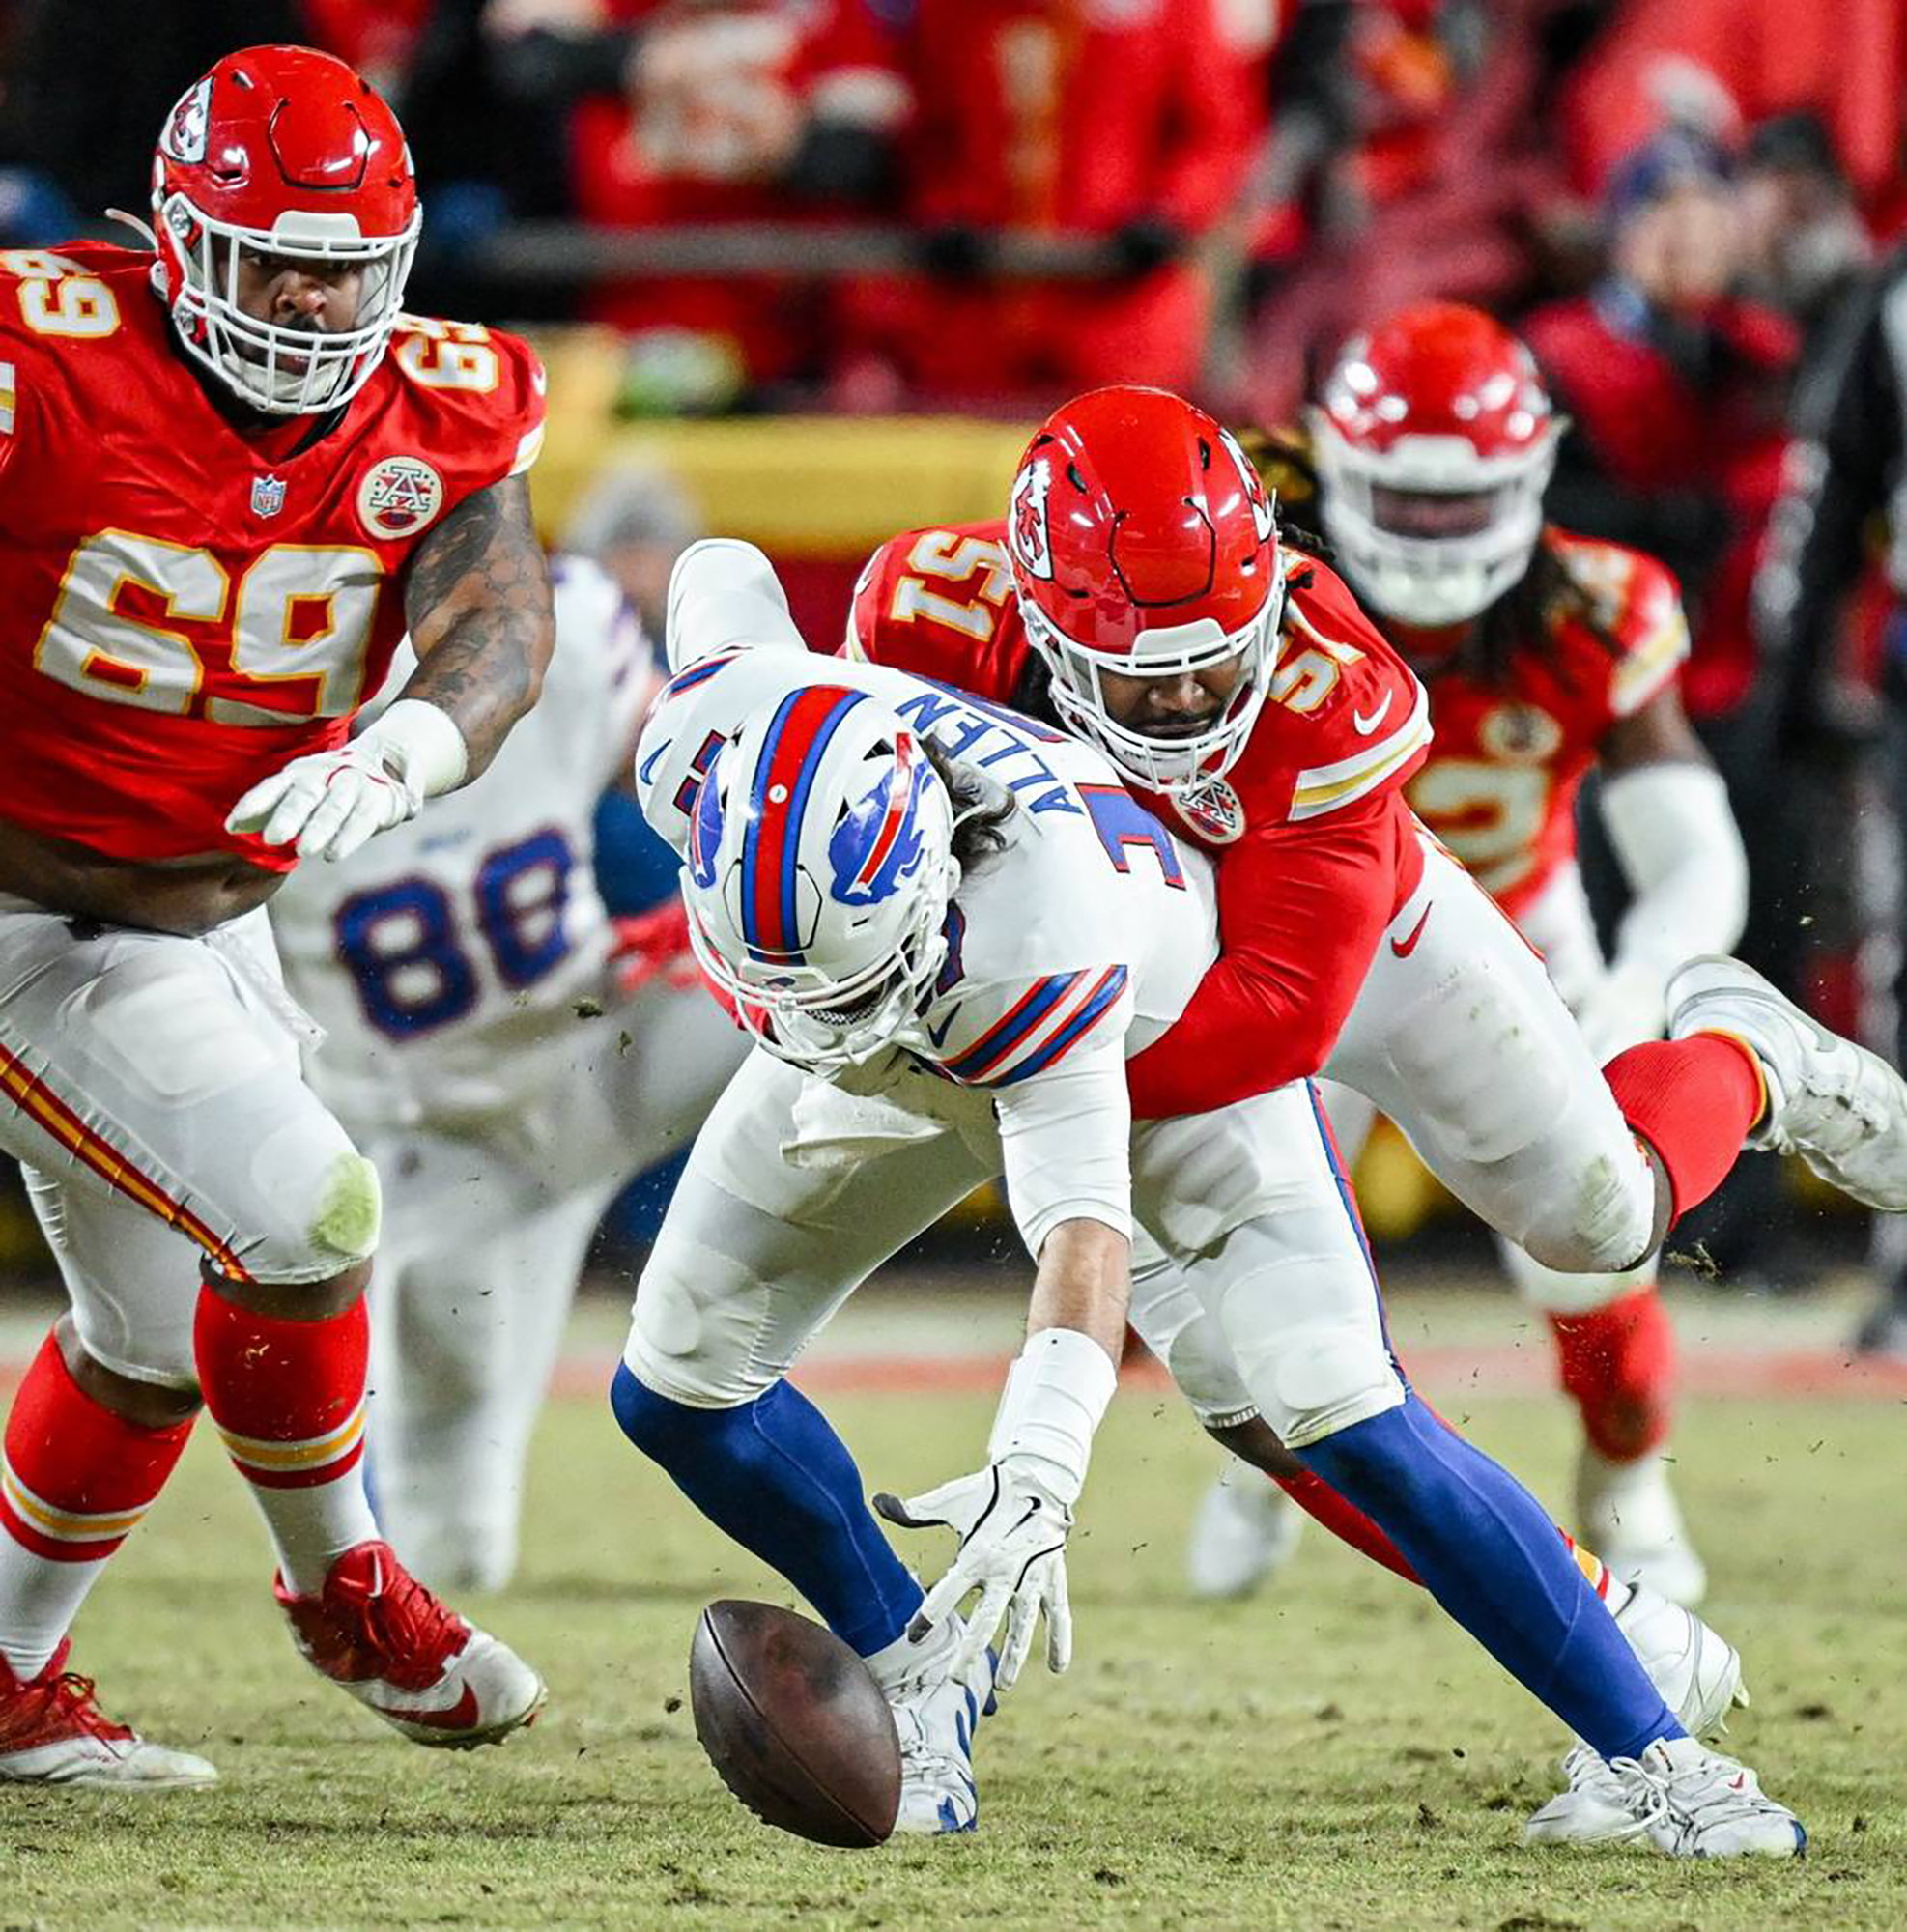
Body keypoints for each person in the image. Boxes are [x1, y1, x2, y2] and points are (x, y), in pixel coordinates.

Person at [614, 534, 1807, 1856]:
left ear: (931, 866)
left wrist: (1034, 1476)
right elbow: (716, 566)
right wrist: (828, 1000)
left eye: (851, 974)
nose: (832, 1011)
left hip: (1163, 1064)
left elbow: (1081, 1237)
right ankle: (918, 1669)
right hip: (907, 1058)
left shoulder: (1036, 924)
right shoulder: (705, 734)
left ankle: (1664, 1763)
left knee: (1336, 1410)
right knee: (669, 1388)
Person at [0, 45, 555, 1786]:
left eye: (342, 260)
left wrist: (404, 743)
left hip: (203, 916)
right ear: (172, 240)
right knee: (307, 1214)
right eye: (268, 256)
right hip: (28, 907)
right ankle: (349, 1593)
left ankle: (5, 1688)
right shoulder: (39, 355)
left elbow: (497, 626)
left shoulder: (445, 399)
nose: (310, 297)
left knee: (151, 1341)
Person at [1187, 301, 1748, 1607]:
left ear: (1529, 477)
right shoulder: (1254, 589)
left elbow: (1696, 859)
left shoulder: (1593, 608)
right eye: (1403, 501)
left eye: (1461, 504)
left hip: (1514, 951)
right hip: (1297, 952)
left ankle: (1624, 1481)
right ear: (1333, 465)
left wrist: (1620, 993)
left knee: (1591, 1260)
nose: (1432, 535)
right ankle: (1259, 1470)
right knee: (1246, 1253)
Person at [269, 554, 747, 1591]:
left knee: (836, 945)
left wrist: (729, 894)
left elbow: (694, 772)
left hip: (596, 1045)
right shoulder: (258, 691)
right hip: (433, 1140)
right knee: (458, 1550)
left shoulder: (562, 619)